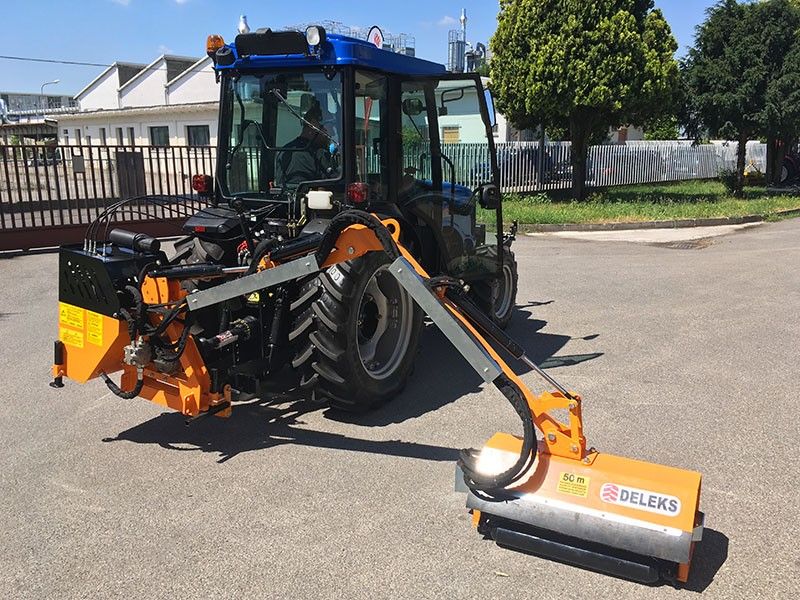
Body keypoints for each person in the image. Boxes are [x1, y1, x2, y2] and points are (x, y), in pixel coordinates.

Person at [276, 103, 333, 186]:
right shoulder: (318, 154)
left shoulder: (284, 151)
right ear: (313, 125)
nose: (332, 133)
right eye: (328, 128)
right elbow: (334, 185)